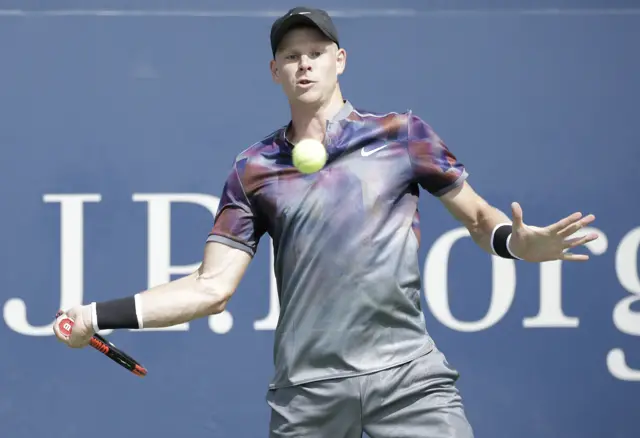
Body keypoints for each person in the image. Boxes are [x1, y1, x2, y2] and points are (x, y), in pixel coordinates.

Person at [53, 6, 599, 438]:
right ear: (275, 71)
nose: (305, 64)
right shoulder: (254, 169)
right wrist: (97, 314)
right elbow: (211, 288)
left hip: (409, 378)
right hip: (307, 393)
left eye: (316, 52)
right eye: (292, 56)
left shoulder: (401, 135)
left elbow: (479, 217)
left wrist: (515, 243)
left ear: (341, 59)